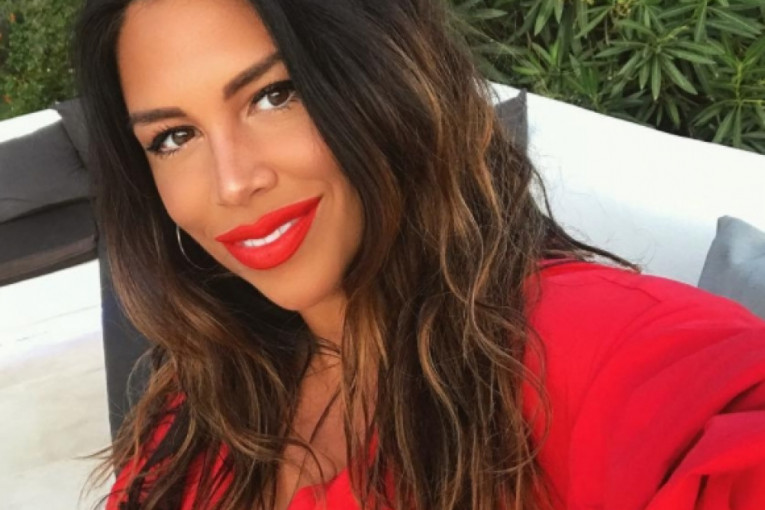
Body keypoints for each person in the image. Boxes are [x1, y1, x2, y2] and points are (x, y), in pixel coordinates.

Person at [74, 0, 765, 509]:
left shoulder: (616, 359)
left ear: (388, 77)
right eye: (174, 138)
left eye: (274, 95)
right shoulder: (201, 400)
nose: (232, 182)